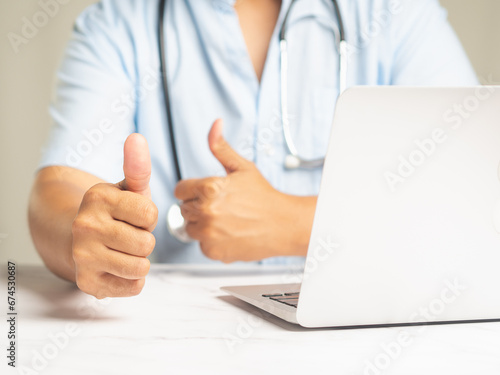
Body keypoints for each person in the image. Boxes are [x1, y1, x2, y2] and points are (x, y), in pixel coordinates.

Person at [28, 0, 478, 299]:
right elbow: (59, 187)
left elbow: (475, 198)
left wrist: (292, 222)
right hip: (179, 337)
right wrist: (84, 237)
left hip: (365, 320)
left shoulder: (397, 12)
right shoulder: (120, 19)